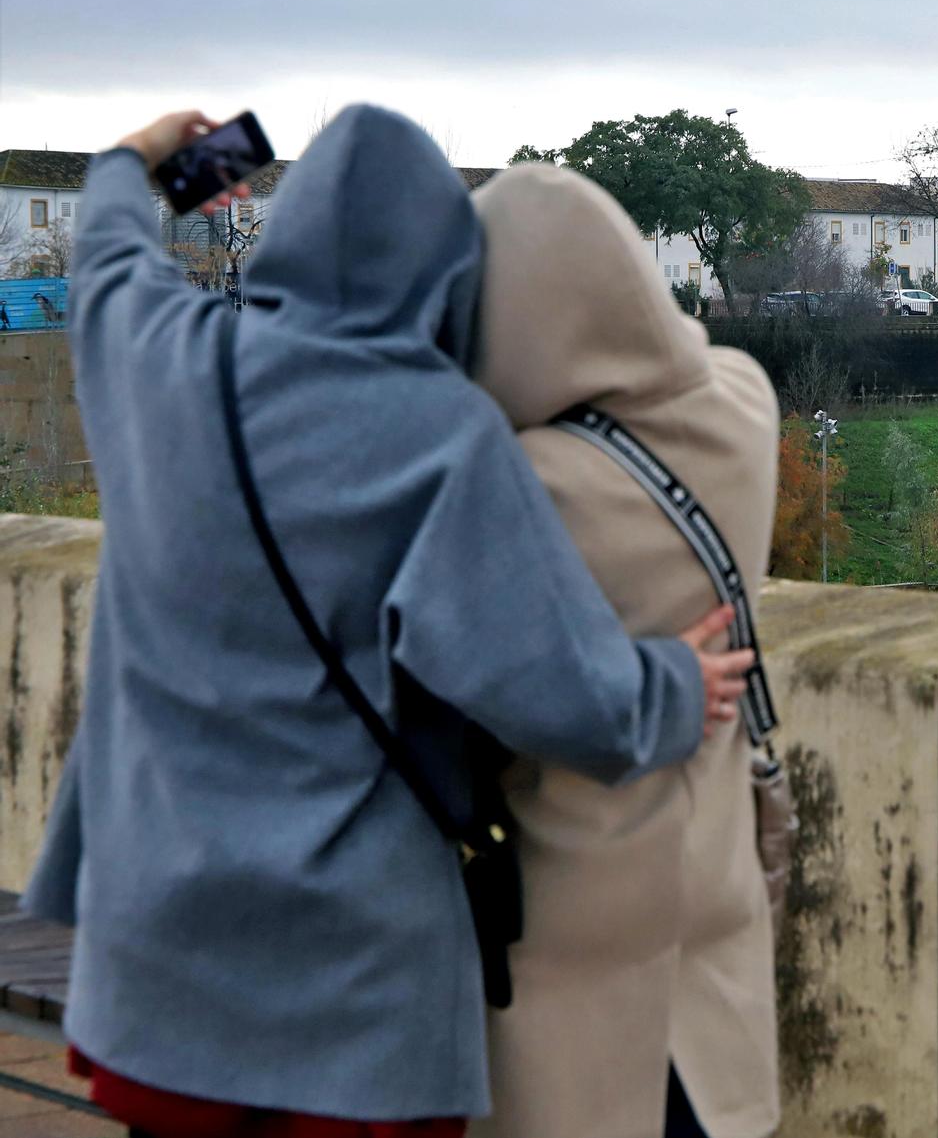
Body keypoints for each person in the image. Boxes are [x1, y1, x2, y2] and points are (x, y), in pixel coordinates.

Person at [24, 108, 754, 1135]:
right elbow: (552, 686)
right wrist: (675, 686)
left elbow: (107, 243)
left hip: (158, 971)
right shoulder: (440, 434)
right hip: (353, 999)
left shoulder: (159, 358)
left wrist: (160, 159)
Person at [466, 164, 781, 1138]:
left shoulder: (514, 482)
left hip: (566, 956)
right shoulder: (745, 408)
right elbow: (688, 359)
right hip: (716, 913)